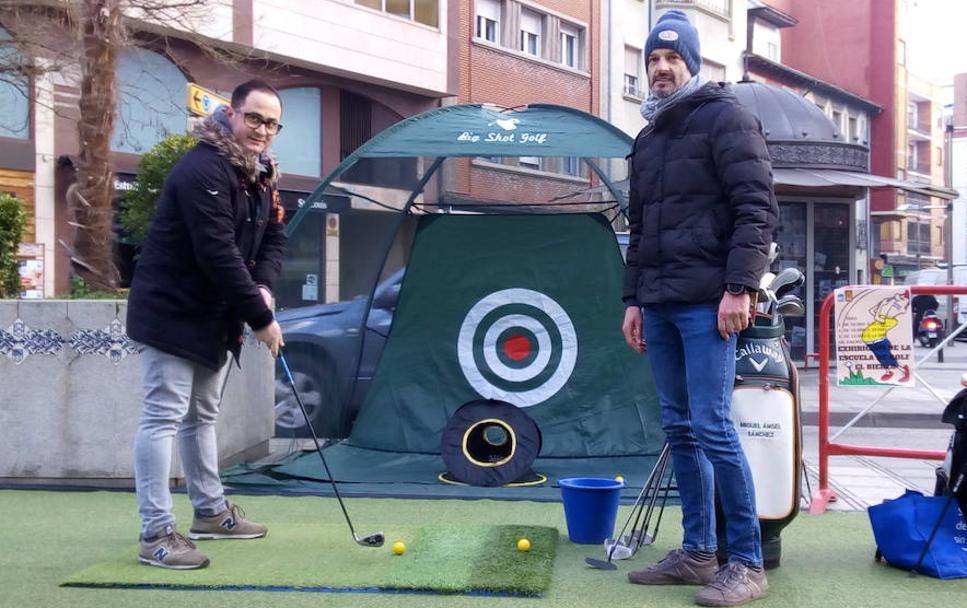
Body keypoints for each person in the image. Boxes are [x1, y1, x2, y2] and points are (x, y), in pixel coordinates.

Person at [620, 10, 778, 607]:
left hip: (710, 303)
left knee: (712, 426)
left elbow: (756, 208)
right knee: (680, 428)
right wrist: (633, 299)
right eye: (653, 60)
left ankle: (746, 563)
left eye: (671, 58)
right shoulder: (650, 134)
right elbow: (639, 229)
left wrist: (740, 287)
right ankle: (697, 553)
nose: (661, 68)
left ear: (691, 61)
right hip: (658, 304)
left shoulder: (726, 117)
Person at [127, 79, 288, 570]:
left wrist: (262, 288)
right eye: (254, 118)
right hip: (172, 312)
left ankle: (211, 513)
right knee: (163, 416)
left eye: (271, 123)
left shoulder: (260, 174)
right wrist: (260, 318)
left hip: (214, 317)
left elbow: (275, 238)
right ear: (232, 115)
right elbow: (216, 250)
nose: (261, 129)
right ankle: (155, 533)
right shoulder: (204, 168)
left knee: (202, 417)